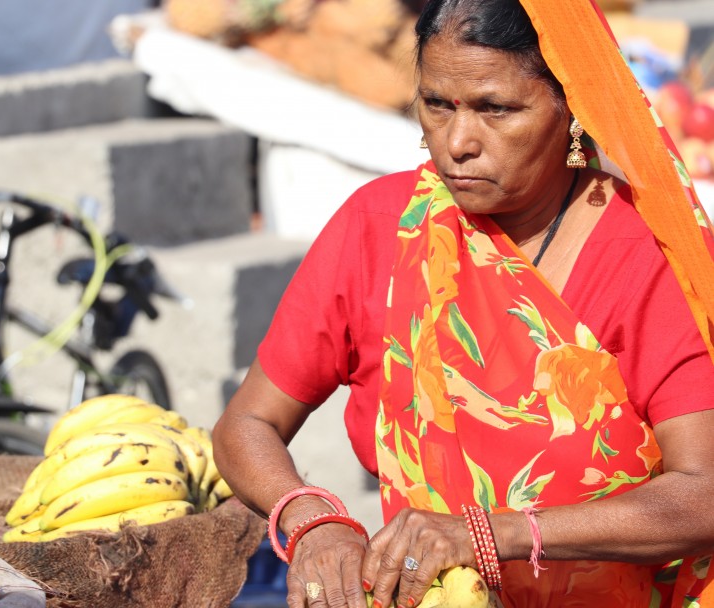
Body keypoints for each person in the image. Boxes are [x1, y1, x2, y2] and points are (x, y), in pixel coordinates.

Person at [212, 0, 714, 606]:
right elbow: (247, 424)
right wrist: (310, 518)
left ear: (571, 108)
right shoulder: (381, 229)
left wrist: (491, 535)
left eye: (496, 109)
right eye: (436, 105)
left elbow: (703, 492)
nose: (457, 143)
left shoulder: (646, 255)